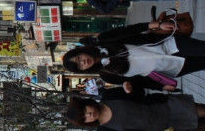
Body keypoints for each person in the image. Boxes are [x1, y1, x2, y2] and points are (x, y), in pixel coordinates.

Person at [62, 18, 205, 91]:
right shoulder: (107, 75)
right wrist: (161, 87)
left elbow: (130, 30)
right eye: (79, 65)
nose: (83, 62)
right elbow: (139, 82)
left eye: (79, 58)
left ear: (81, 51)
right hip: (172, 68)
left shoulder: (104, 40)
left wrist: (157, 25)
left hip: (169, 45)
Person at [66, 82, 205, 131]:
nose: (89, 114)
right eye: (85, 117)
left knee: (201, 110)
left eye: (85, 110)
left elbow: (140, 92)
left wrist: (129, 87)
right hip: (164, 130)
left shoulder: (109, 96)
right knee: (200, 126)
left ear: (87, 103)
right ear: (86, 123)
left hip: (166, 106)